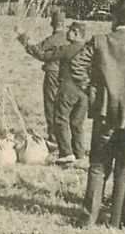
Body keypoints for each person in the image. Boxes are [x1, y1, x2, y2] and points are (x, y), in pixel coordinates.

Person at [71, 0, 125, 228]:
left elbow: (76, 65)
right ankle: (118, 222)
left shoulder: (100, 41)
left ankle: (89, 219)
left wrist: (92, 90)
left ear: (114, 18)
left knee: (98, 166)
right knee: (124, 167)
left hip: (104, 114)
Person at [18, 20, 89, 165]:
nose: (66, 33)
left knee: (60, 119)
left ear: (75, 33)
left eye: (70, 31)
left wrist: (25, 40)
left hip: (68, 89)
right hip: (85, 92)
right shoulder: (89, 50)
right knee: (77, 123)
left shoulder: (67, 49)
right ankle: (80, 153)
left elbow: (43, 55)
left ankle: (66, 153)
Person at [18, 9, 68, 151]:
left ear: (53, 23)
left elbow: (37, 51)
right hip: (67, 77)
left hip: (52, 75)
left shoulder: (52, 39)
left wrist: (23, 38)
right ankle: (64, 138)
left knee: (51, 105)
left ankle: (53, 138)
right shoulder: (69, 38)